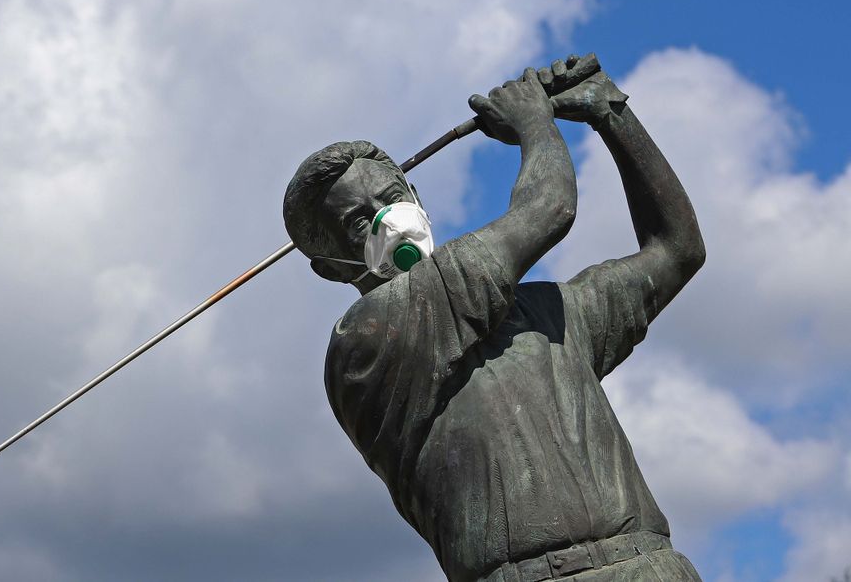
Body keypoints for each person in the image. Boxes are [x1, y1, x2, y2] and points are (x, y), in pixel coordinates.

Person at [283, 56, 706, 582]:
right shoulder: (368, 340)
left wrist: (611, 112)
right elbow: (550, 208)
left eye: (392, 198)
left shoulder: (547, 314)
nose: (387, 221)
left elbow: (677, 249)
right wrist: (533, 122)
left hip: (653, 568)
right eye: (357, 221)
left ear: (416, 196)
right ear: (328, 268)